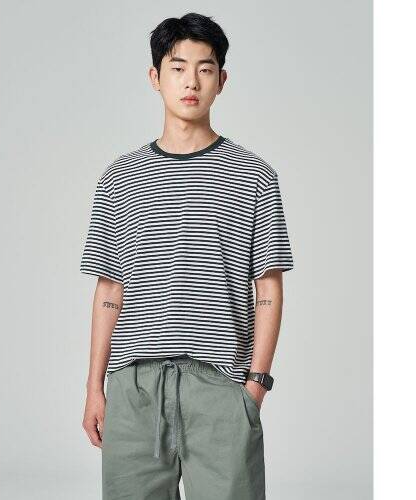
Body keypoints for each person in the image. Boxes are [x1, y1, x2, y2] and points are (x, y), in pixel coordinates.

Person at [80, 12, 294, 500]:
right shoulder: (119, 178)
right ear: (155, 77)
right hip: (135, 388)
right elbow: (109, 289)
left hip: (220, 388)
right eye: (177, 68)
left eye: (205, 68)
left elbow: (268, 286)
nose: (191, 81)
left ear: (222, 80)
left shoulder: (255, 176)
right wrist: (94, 387)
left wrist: (255, 385)